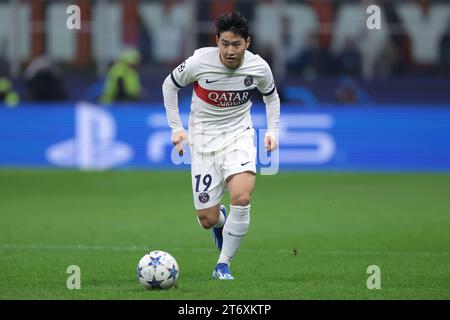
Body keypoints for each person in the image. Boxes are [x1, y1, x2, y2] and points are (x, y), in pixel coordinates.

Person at [162, 11, 280, 280]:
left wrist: (273, 131)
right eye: (224, 43)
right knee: (207, 219)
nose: (229, 50)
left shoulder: (259, 67)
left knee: (242, 196)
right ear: (217, 40)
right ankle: (220, 220)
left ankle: (223, 264)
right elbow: (169, 86)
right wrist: (177, 129)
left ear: (247, 43)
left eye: (236, 44)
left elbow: (271, 98)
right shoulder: (198, 62)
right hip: (203, 142)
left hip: (239, 137)